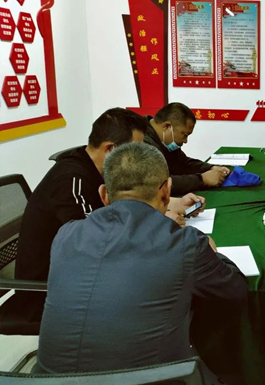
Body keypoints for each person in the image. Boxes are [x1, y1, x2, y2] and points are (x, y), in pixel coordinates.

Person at [35, 143, 247, 382]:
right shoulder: (185, 244)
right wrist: (212, 251)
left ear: (104, 195)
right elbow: (234, 290)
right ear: (166, 191)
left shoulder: (66, 235)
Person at [14, 108, 202, 324]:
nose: (139, 159)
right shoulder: (71, 180)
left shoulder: (98, 167)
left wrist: (170, 202)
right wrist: (157, 223)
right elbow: (96, 242)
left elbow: (124, 209)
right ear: (110, 149)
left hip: (86, 275)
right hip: (50, 291)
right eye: (134, 151)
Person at [144, 102, 231, 195]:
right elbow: (159, 184)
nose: (185, 141)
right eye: (185, 135)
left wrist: (210, 168)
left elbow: (183, 163)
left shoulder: (163, 140)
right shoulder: (141, 142)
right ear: (167, 126)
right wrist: (202, 179)